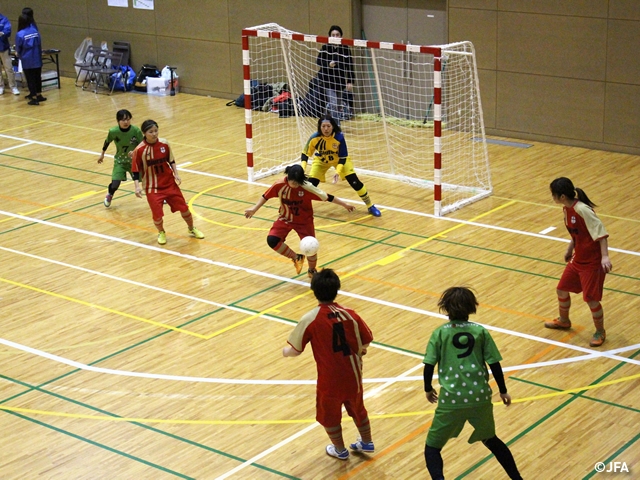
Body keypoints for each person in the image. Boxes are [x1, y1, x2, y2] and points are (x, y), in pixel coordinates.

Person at [423, 286, 522, 480]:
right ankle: (517, 478)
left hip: (451, 399)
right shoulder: (480, 331)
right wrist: (503, 390)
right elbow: (494, 363)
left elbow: (428, 365)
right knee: (492, 440)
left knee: (432, 448)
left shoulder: (440, 333)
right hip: (480, 397)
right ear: (472, 307)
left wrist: (427, 388)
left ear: (445, 308)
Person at [283, 268, 374, 460]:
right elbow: (367, 339)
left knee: (330, 415)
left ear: (313, 290)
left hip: (329, 379)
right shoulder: (350, 314)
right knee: (358, 407)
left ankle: (340, 450)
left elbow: (295, 350)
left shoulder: (311, 318)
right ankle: (366, 441)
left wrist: (286, 352)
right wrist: (361, 350)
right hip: (353, 374)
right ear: (337, 289)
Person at [244, 164, 355, 278]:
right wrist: (254, 209)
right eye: (293, 182)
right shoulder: (279, 184)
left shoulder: (308, 187)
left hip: (304, 222)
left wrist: (345, 205)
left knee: (311, 247)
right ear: (288, 178)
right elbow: (265, 196)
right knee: (272, 240)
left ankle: (312, 270)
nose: (295, 185)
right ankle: (296, 257)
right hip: (285, 218)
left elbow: (328, 197)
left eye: (298, 183)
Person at [544, 177, 612, 347]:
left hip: (592, 263)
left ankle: (600, 331)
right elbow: (577, 233)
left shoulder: (583, 210)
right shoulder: (567, 210)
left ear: (561, 196)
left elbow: (601, 233)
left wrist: (605, 257)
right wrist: (569, 249)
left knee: (591, 299)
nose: (551, 197)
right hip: (578, 259)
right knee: (561, 289)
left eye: (553, 194)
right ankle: (564, 320)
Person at [131, 119, 205, 245]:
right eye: (151, 132)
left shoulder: (164, 144)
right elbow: (135, 170)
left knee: (184, 208)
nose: (154, 134)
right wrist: (137, 186)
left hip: (169, 183)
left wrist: (176, 174)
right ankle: (161, 232)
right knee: (157, 215)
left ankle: (192, 228)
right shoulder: (140, 150)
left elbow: (171, 160)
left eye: (156, 131)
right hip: (152, 187)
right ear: (144, 133)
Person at [302, 115, 381, 217]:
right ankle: (302, 207)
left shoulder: (339, 137)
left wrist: (337, 172)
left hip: (340, 160)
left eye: (328, 126)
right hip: (321, 161)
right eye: (323, 126)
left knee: (355, 182)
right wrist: (302, 168)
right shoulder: (314, 138)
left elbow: (343, 157)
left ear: (333, 126)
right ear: (319, 127)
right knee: (310, 185)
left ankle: (370, 206)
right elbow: (305, 154)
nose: (326, 129)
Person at [97, 109, 143, 207]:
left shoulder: (136, 130)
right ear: (118, 121)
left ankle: (161, 196)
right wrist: (102, 154)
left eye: (128, 119)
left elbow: (143, 144)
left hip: (134, 161)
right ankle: (110, 194)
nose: (126, 122)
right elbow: (107, 141)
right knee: (115, 184)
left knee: (147, 181)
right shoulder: (113, 131)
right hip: (120, 161)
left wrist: (135, 151)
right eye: (123, 120)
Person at [316, 25, 354, 118]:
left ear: (341, 36)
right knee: (333, 104)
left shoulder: (345, 49)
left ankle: (329, 120)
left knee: (337, 105)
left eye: (337, 35)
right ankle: (336, 126)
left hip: (339, 81)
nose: (335, 37)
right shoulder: (325, 48)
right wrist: (328, 64)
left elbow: (350, 66)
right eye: (333, 35)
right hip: (327, 81)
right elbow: (318, 61)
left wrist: (350, 81)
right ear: (329, 36)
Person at [15, 10, 44, 105]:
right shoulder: (35, 31)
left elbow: (18, 47)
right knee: (37, 77)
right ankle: (39, 95)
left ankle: (34, 98)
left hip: (27, 60)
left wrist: (18, 53)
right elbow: (39, 43)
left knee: (30, 78)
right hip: (37, 58)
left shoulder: (20, 34)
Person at [0, 12, 20, 95]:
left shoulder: (4, 19)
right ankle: (1, 87)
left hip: (3, 48)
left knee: (9, 68)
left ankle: (13, 87)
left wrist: (2, 33)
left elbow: (8, 30)